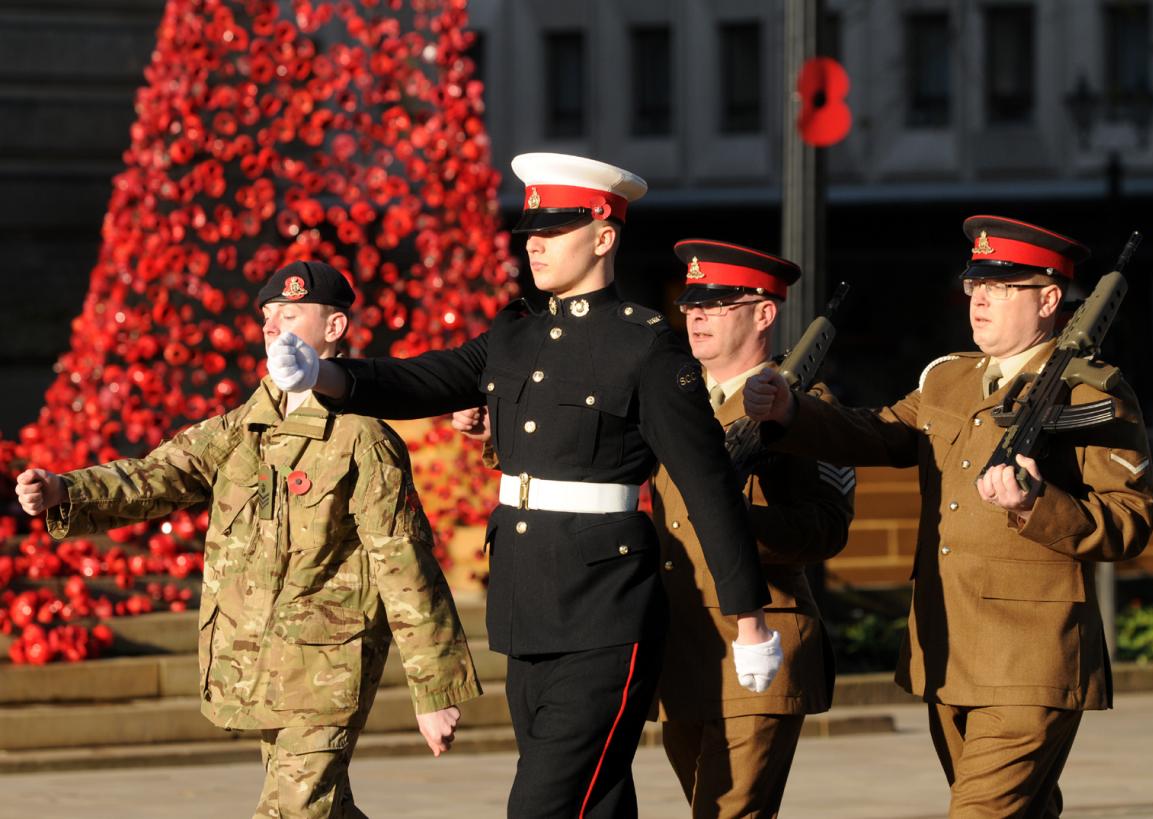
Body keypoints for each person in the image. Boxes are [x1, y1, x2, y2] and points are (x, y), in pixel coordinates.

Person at [266, 153, 781, 818]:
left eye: (555, 228)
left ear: (603, 236)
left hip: (608, 612)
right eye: (531, 228)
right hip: (526, 605)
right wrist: (323, 374)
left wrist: (750, 619)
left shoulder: (646, 346)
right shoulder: (515, 334)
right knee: (594, 802)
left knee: (541, 804)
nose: (534, 241)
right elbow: (421, 380)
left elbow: (708, 486)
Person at [15, 261, 481, 819]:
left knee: (294, 809)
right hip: (253, 660)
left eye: (290, 313)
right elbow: (158, 475)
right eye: (266, 317)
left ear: (334, 329)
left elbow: (402, 562)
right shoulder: (243, 428)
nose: (272, 326)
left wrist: (434, 690)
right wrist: (66, 491)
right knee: (322, 809)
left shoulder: (364, 438)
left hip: (326, 669)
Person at [743, 216, 1153, 817]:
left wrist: (1037, 505)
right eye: (974, 284)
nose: (980, 297)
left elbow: (1130, 519)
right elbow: (881, 433)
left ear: (1048, 299)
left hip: (1030, 658)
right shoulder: (949, 378)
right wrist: (792, 413)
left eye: (1002, 286)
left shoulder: (1093, 392)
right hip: (948, 651)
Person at [652, 240, 854, 818]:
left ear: (764, 313)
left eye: (716, 304)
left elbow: (827, 528)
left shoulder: (804, 406)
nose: (695, 315)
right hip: (683, 648)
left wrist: (736, 525)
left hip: (762, 641)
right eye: (691, 304)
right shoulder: (674, 400)